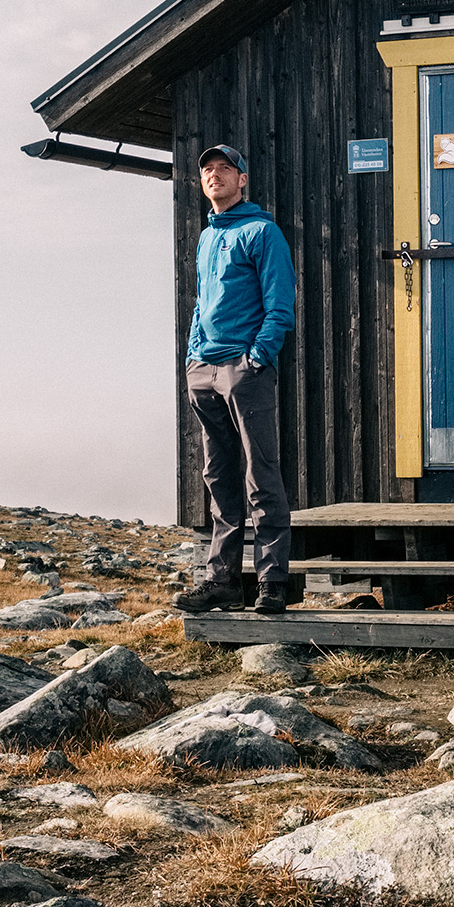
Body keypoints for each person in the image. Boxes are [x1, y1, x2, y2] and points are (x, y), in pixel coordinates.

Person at [173, 143, 296, 615]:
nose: (215, 175)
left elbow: (280, 304)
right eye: (208, 169)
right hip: (204, 369)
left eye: (225, 168)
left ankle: (271, 585)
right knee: (218, 475)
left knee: (260, 473)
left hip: (245, 371)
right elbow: (203, 304)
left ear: (242, 179)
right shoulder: (207, 237)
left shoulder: (262, 232)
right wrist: (191, 360)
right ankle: (222, 581)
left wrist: (257, 358)